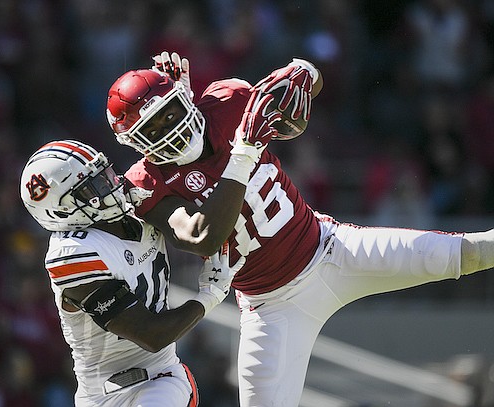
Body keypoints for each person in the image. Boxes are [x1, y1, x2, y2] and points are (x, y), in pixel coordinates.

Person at [105, 52, 494, 406]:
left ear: (183, 100)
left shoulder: (226, 103)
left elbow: (306, 79)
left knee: (472, 253)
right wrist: (242, 153)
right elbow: (204, 235)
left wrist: (302, 78)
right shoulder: (144, 183)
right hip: (270, 306)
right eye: (152, 128)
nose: (168, 130)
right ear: (134, 142)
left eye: (171, 113)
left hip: (332, 248)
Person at [19, 139, 241, 407]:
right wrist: (210, 295)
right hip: (104, 396)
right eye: (94, 186)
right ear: (62, 210)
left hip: (161, 378)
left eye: (105, 174)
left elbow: (197, 235)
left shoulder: (135, 200)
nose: (111, 185)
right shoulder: (73, 252)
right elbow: (151, 335)